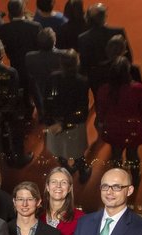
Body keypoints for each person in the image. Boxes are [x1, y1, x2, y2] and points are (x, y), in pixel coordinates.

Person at [96, 57, 142, 187]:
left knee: (116, 155)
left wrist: (102, 125)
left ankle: (118, 178)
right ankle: (135, 177)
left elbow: (101, 111)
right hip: (132, 129)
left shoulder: (104, 89)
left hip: (113, 129)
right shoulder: (137, 88)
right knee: (133, 154)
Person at [43, 49, 90, 181]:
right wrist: (65, 124)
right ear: (77, 63)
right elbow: (82, 109)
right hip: (73, 123)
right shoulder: (82, 81)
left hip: (55, 123)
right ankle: (82, 173)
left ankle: (67, 169)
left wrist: (52, 122)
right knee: (78, 152)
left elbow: (46, 101)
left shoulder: (52, 77)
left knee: (58, 150)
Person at [0, 40, 33, 168]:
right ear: (1, 54)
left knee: (0, 134)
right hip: (10, 110)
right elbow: (14, 94)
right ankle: (20, 158)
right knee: (16, 135)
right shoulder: (11, 72)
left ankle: (7, 156)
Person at [78, 3, 132, 94]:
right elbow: (129, 57)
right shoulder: (118, 32)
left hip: (97, 79)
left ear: (88, 19)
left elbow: (84, 64)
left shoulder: (83, 38)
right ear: (105, 16)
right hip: (119, 75)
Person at [25, 28, 65, 122]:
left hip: (40, 89)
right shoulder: (63, 55)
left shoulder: (29, 57)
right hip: (59, 90)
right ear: (54, 41)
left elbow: (30, 73)